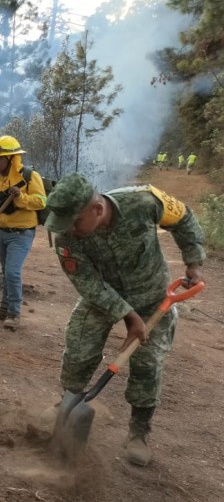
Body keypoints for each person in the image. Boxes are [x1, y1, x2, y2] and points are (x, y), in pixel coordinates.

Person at [45, 174, 205, 466]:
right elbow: (88, 283)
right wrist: (127, 316)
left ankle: (139, 433)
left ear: (96, 209)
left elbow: (184, 218)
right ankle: (68, 404)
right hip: (103, 297)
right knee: (79, 347)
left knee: (147, 363)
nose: (68, 230)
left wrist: (193, 262)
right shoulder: (67, 237)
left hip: (153, 296)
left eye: (73, 221)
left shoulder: (144, 201)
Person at [0, 135, 46, 331]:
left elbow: (41, 202)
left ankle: (14, 313)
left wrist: (20, 197)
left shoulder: (30, 177)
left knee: (12, 273)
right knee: (5, 273)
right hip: (1, 233)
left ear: (12, 159)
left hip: (21, 234)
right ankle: (3, 309)